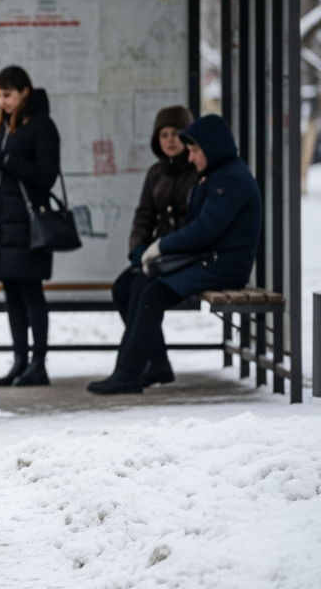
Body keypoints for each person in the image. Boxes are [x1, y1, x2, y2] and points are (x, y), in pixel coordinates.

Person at [88, 114, 261, 395]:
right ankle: (141, 368)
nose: (190, 158)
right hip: (209, 258)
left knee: (151, 293)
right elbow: (159, 218)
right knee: (141, 285)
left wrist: (162, 247)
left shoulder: (229, 179)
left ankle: (128, 373)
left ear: (211, 148)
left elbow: (205, 229)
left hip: (224, 265)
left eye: (194, 150)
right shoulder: (217, 175)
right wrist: (148, 250)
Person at [0, 66, 60, 387]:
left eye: (7, 94)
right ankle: (20, 361)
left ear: (25, 92)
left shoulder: (41, 125)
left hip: (27, 223)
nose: (2, 101)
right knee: (11, 294)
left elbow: (46, 175)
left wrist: (5, 160)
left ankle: (39, 363)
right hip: (1, 223)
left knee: (31, 292)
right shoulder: (0, 125)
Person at [111, 105, 197, 387]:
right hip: (156, 255)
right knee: (122, 287)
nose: (170, 140)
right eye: (164, 134)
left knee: (142, 290)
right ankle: (159, 362)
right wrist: (137, 249)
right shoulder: (155, 173)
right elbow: (143, 216)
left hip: (183, 256)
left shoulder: (197, 171)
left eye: (176, 134)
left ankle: (131, 369)